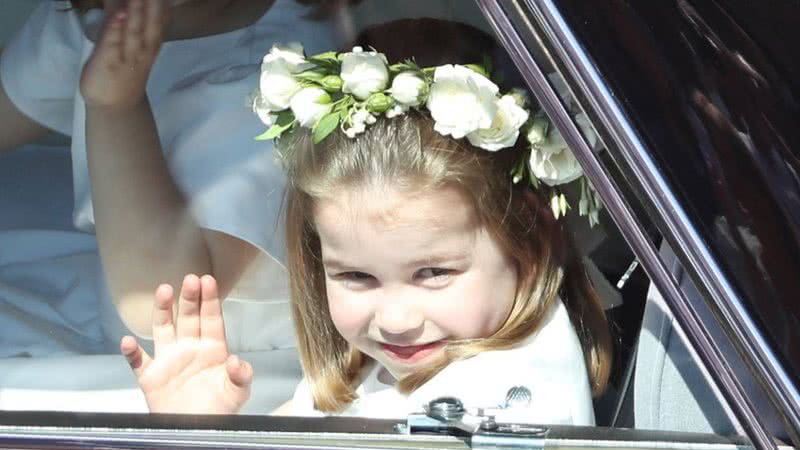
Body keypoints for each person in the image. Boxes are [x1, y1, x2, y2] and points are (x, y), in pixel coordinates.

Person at [120, 26, 614, 424]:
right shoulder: (413, 361)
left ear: (528, 241)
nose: (395, 319)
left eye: (433, 273)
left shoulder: (490, 406)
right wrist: (199, 427)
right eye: (356, 276)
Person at [0, 0, 338, 357]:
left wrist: (116, 108)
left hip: (229, 370)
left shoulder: (284, 73)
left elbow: (168, 304)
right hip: (129, 338)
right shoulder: (98, 17)